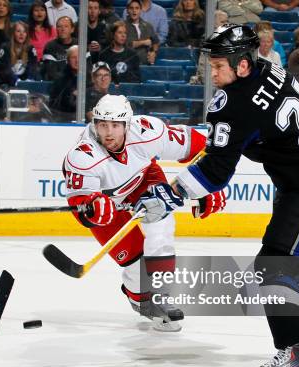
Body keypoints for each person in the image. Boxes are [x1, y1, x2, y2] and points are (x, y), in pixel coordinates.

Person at [159, 24, 299, 367]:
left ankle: (294, 352)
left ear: (242, 65)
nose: (212, 72)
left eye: (218, 65)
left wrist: (172, 193)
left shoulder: (235, 104)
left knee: (273, 267)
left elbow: (218, 171)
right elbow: (247, 135)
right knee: (292, 261)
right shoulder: (268, 68)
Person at [63, 94, 226, 331]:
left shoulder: (148, 131)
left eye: (116, 125)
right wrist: (92, 209)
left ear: (127, 124)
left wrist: (209, 184)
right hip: (108, 202)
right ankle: (140, 299)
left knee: (161, 228)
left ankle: (162, 295)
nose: (109, 132)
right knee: (136, 265)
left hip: (143, 181)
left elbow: (200, 146)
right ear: (95, 123)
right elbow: (80, 205)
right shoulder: (82, 156)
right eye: (103, 125)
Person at [0, 21, 39, 87]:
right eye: (18, 31)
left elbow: (33, 67)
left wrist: (29, 81)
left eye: (24, 32)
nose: (21, 34)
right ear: (13, 33)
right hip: (7, 83)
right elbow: (5, 69)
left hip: (25, 82)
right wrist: (17, 81)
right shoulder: (5, 47)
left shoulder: (30, 48)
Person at [41, 16, 76, 81]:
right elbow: (51, 73)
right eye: (59, 26)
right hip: (58, 84)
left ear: (72, 29)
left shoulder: (80, 45)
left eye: (66, 26)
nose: (62, 29)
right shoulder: (50, 46)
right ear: (56, 29)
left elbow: (87, 69)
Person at [49, 44, 78, 121]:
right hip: (63, 118)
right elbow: (54, 104)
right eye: (73, 57)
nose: (77, 60)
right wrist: (70, 93)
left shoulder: (89, 78)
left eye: (79, 57)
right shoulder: (60, 79)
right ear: (68, 60)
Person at [125, 0, 159, 65]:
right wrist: (143, 42)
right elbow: (125, 45)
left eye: (137, 8)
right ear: (127, 10)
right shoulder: (122, 26)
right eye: (131, 8)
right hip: (128, 64)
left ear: (140, 10)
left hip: (146, 63)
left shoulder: (148, 26)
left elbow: (156, 42)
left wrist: (153, 52)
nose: (134, 10)